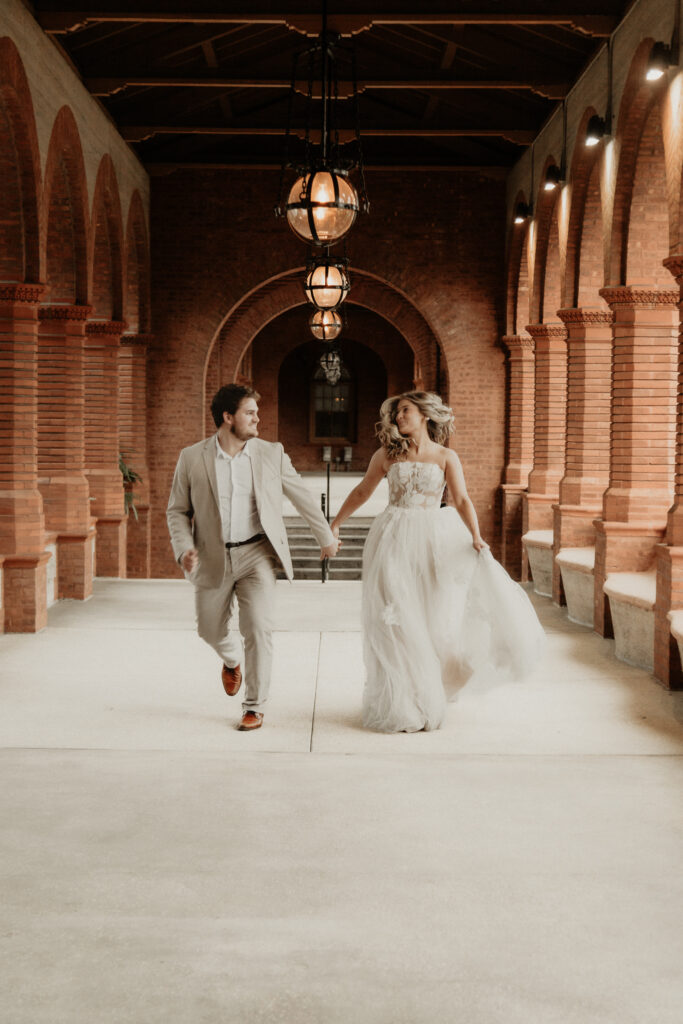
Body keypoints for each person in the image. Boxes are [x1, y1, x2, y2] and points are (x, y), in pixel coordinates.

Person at [330, 391, 544, 733]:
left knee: (428, 619)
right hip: (393, 538)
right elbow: (362, 491)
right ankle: (399, 702)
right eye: (397, 413)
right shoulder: (386, 455)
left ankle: (426, 693)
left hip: (432, 540)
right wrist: (336, 522)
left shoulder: (446, 457)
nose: (399, 417)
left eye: (405, 411)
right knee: (396, 619)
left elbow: (460, 499)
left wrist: (475, 535)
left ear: (424, 415)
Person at [167, 384, 340, 732]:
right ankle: (231, 660)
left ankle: (254, 705)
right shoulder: (192, 457)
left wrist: (325, 536)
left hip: (257, 553)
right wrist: (184, 548)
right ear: (228, 417)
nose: (257, 418)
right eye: (250, 412)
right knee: (208, 629)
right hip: (211, 556)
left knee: (259, 628)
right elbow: (177, 511)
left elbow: (301, 495)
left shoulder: (271, 453)